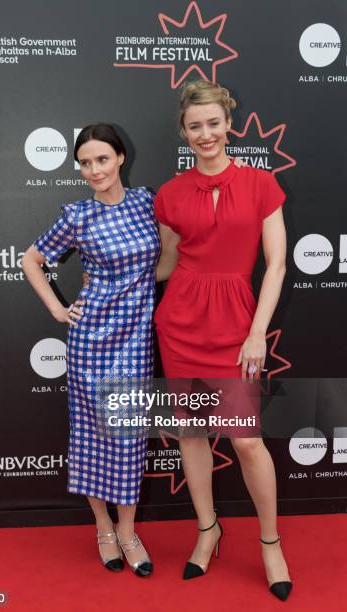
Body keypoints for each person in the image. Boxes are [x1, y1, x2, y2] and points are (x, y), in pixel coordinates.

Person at [153, 80, 292, 601]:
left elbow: (276, 264)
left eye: (213, 123)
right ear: (184, 132)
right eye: (195, 126)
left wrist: (258, 332)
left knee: (246, 440)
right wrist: (114, 283)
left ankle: (270, 541)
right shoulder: (169, 193)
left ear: (228, 123)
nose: (205, 134)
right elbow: (166, 263)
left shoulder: (262, 184)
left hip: (237, 325)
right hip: (181, 324)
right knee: (190, 436)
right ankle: (207, 530)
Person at [22, 124, 160, 577]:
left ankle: (128, 530)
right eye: (85, 162)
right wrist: (60, 311)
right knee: (90, 436)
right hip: (91, 341)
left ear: (121, 157)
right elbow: (31, 260)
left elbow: (169, 254)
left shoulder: (146, 202)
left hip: (136, 340)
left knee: (128, 437)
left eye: (102, 159)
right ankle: (103, 528)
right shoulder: (77, 215)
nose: (94, 169)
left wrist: (141, 285)